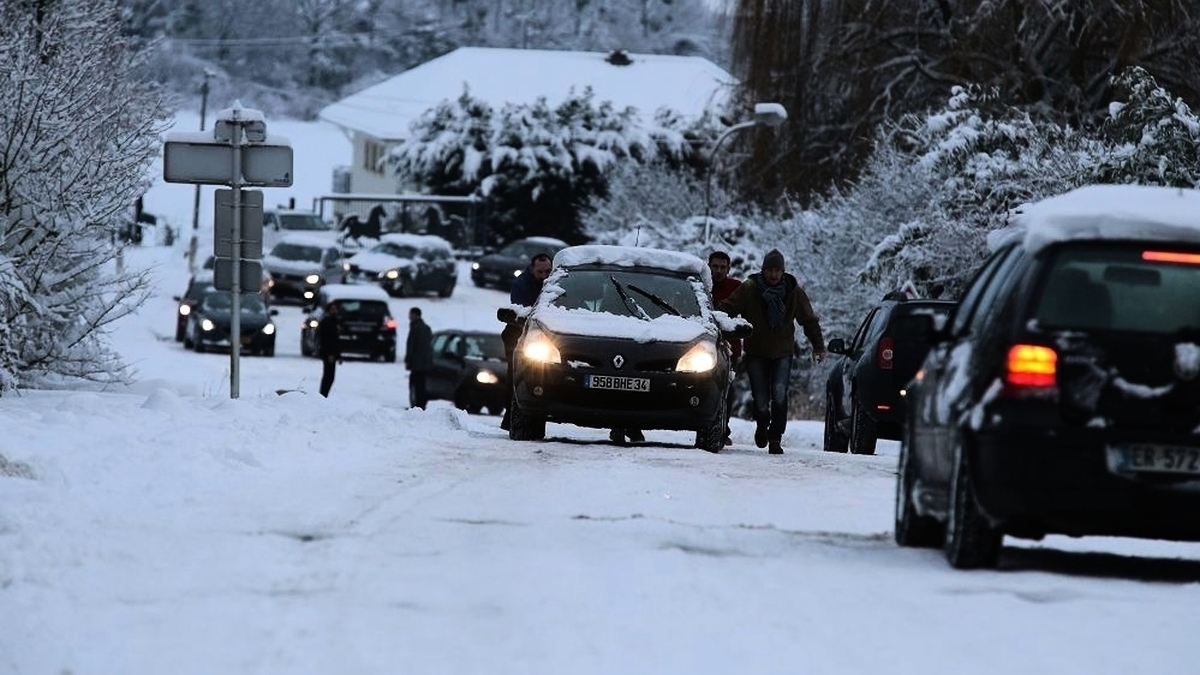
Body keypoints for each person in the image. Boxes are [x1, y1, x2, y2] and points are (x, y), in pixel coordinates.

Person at [718, 249, 826, 455]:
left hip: (782, 352)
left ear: (783, 272)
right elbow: (729, 307)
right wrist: (711, 315)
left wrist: (818, 346)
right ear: (763, 270)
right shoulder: (750, 289)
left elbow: (809, 320)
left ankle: (775, 437)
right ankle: (761, 425)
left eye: (777, 271)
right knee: (760, 398)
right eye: (769, 270)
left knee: (779, 394)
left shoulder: (793, 292)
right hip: (756, 352)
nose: (773, 275)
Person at [500, 252, 553, 430]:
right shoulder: (522, 284)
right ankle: (511, 416)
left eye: (548, 271)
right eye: (540, 272)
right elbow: (525, 312)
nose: (544, 276)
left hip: (543, 336)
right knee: (517, 375)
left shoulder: (554, 283)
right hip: (517, 333)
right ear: (532, 270)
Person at [709, 251, 743, 446]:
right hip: (702, 344)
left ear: (728, 269)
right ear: (709, 267)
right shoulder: (702, 286)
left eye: (723, 267)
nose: (719, 270)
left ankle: (723, 427)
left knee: (727, 388)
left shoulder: (736, 288)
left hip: (730, 347)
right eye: (715, 266)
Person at [405, 307, 434, 409]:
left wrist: (408, 360)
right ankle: (422, 404)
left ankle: (417, 405)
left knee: (415, 384)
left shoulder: (415, 328)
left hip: (417, 362)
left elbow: (411, 345)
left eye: (410, 314)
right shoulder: (427, 328)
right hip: (426, 362)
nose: (409, 316)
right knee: (422, 384)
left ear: (414, 315)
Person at [317, 302, 342, 398]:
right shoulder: (327, 322)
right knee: (328, 376)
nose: (334, 311)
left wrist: (338, 355)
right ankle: (323, 395)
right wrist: (330, 354)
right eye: (332, 309)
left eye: (335, 309)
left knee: (330, 376)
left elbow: (336, 340)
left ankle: (324, 395)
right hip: (328, 353)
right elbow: (326, 339)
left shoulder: (335, 321)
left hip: (333, 353)